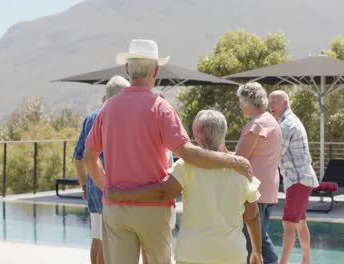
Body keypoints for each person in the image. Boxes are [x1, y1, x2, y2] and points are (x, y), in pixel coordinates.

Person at [83, 39, 253, 264]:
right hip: (153, 209)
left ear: (127, 69)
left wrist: (107, 187)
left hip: (116, 207)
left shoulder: (108, 108)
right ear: (156, 71)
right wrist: (231, 160)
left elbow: (89, 158)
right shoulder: (161, 108)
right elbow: (188, 153)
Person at [107, 109, 263, 264]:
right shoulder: (242, 170)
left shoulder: (187, 165)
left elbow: (162, 193)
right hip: (231, 254)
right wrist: (257, 251)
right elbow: (252, 217)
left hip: (193, 253)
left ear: (196, 132)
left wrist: (121, 195)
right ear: (224, 133)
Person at [73, 75, 130, 264]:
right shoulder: (119, 117)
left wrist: (83, 185)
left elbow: (78, 157)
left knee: (97, 239)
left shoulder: (91, 117)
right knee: (108, 242)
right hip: (112, 187)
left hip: (93, 187)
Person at [268, 90, 319, 264]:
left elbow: (275, 154)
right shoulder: (291, 121)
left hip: (297, 179)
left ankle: (283, 263)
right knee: (300, 222)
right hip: (302, 178)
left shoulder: (286, 125)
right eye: (270, 102)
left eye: (275, 101)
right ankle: (307, 260)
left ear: (285, 103)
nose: (271, 106)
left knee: (288, 223)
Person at [236, 82, 281, 264]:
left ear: (248, 102)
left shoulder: (257, 125)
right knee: (258, 236)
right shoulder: (270, 121)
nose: (240, 106)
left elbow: (239, 158)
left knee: (255, 239)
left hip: (255, 190)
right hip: (268, 188)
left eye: (241, 102)